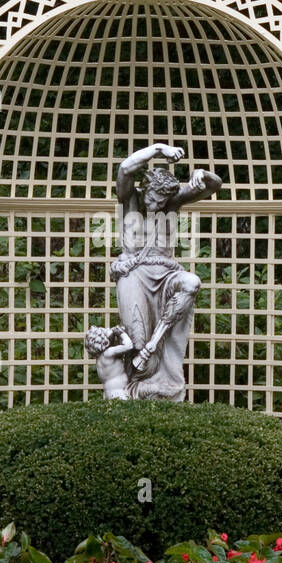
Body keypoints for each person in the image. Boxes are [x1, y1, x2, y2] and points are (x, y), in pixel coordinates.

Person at [111, 143, 222, 401]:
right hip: (134, 275)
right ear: (145, 189)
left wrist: (202, 175)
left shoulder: (171, 200)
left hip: (167, 273)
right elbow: (125, 168)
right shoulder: (130, 198)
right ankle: (136, 393)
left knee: (191, 283)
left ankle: (161, 367)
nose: (156, 204)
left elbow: (215, 185)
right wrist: (159, 149)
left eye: (161, 201)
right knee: (135, 342)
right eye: (152, 198)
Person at [84, 325, 137, 400]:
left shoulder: (101, 356)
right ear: (103, 339)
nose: (108, 329)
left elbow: (116, 346)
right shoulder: (109, 352)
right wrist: (122, 333)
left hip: (109, 391)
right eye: (105, 330)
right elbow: (128, 346)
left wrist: (115, 334)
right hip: (118, 392)